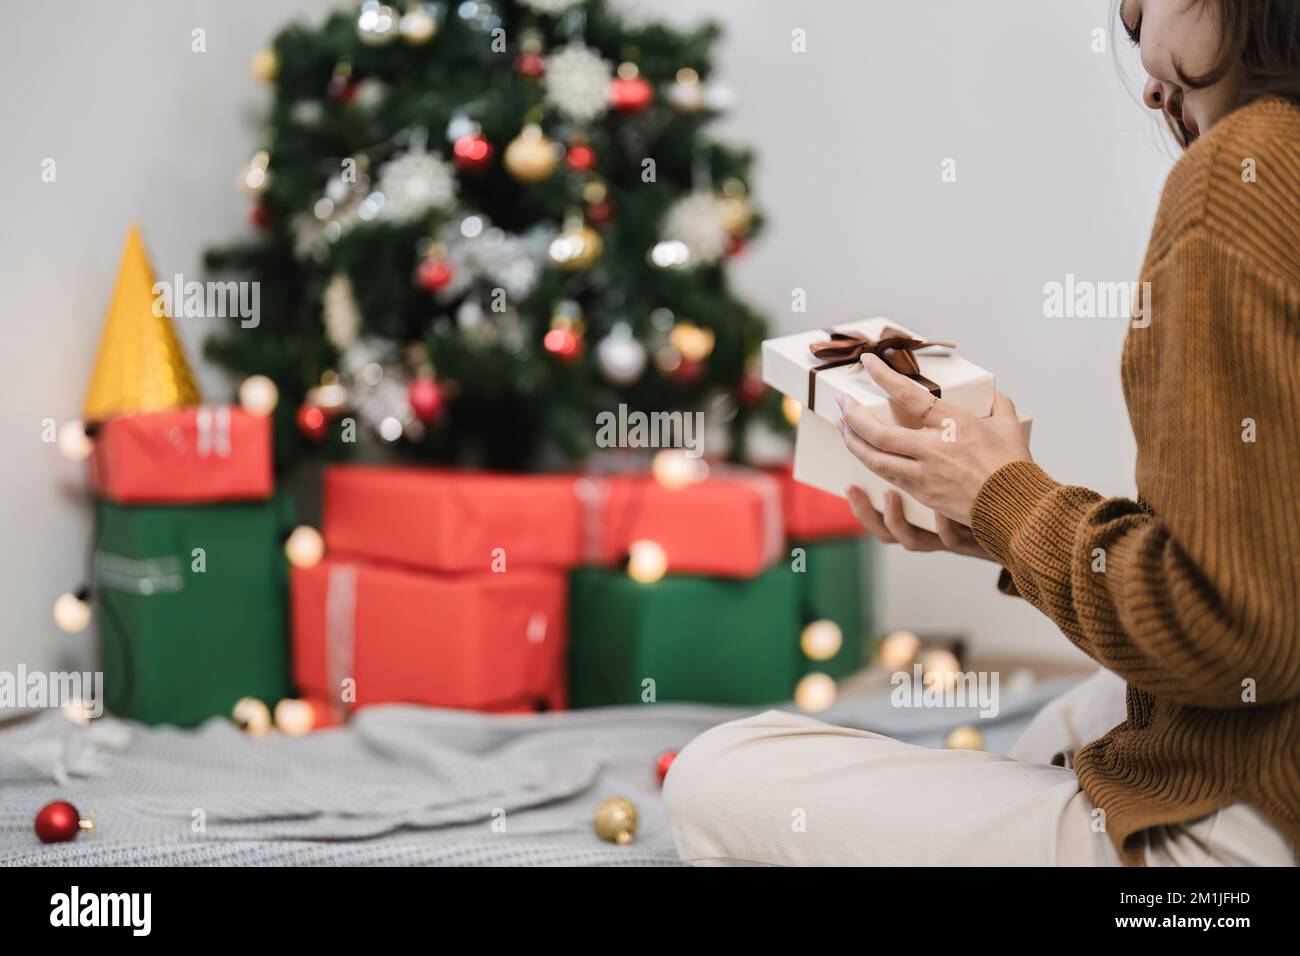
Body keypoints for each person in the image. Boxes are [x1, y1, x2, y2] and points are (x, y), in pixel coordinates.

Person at [664, 0, 1300, 866]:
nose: (1138, 43)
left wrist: (1008, 497)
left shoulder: (1245, 169)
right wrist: (995, 520)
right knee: (1070, 720)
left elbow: (1231, 628)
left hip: (1253, 831)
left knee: (715, 776)